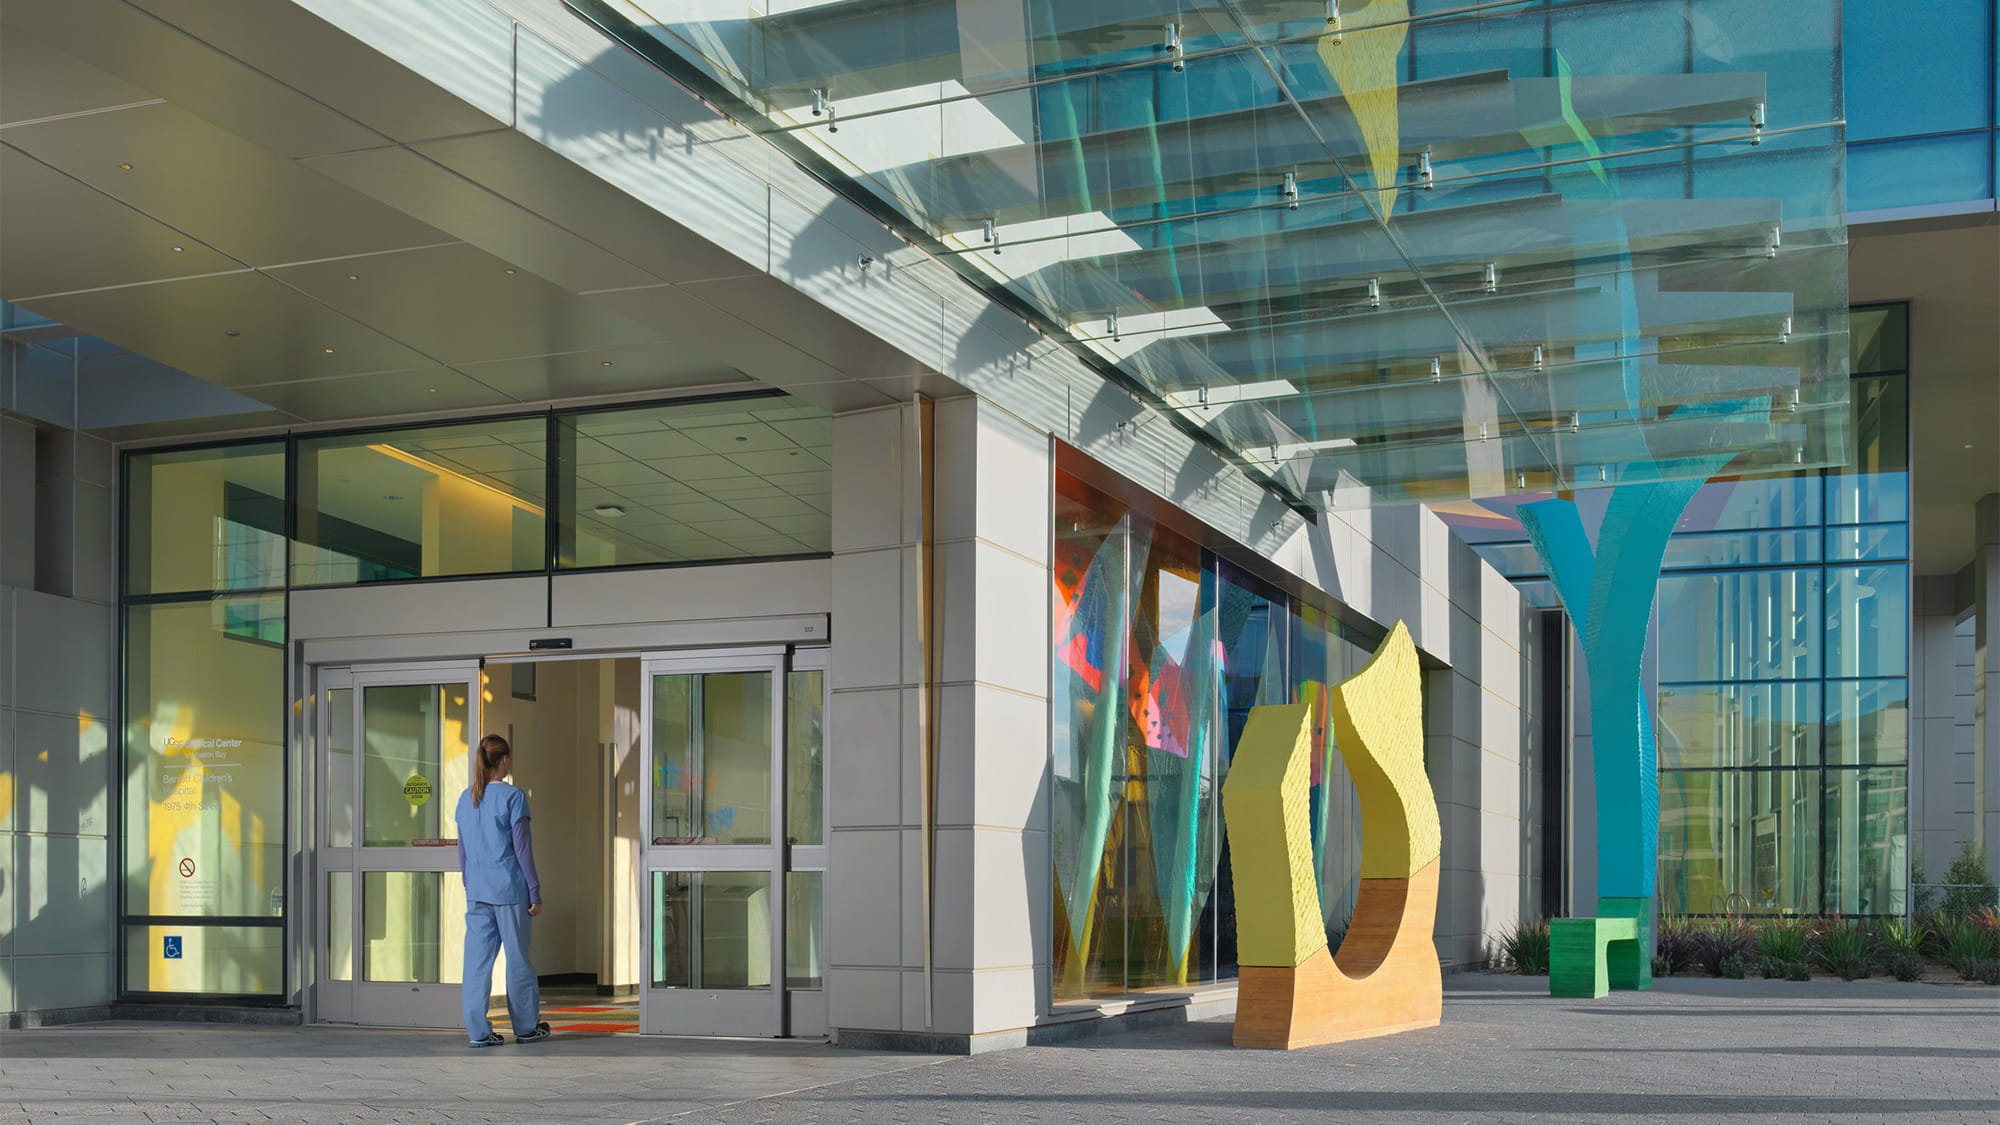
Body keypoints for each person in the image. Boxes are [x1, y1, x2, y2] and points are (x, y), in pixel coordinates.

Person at [455, 734, 550, 1047]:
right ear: (505, 760)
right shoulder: (514, 797)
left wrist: (471, 884)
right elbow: (523, 851)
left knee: (476, 963)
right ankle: (525, 1027)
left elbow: (463, 852)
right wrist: (534, 891)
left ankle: (477, 1032)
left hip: (478, 891)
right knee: (518, 959)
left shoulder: (465, 799)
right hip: (509, 891)